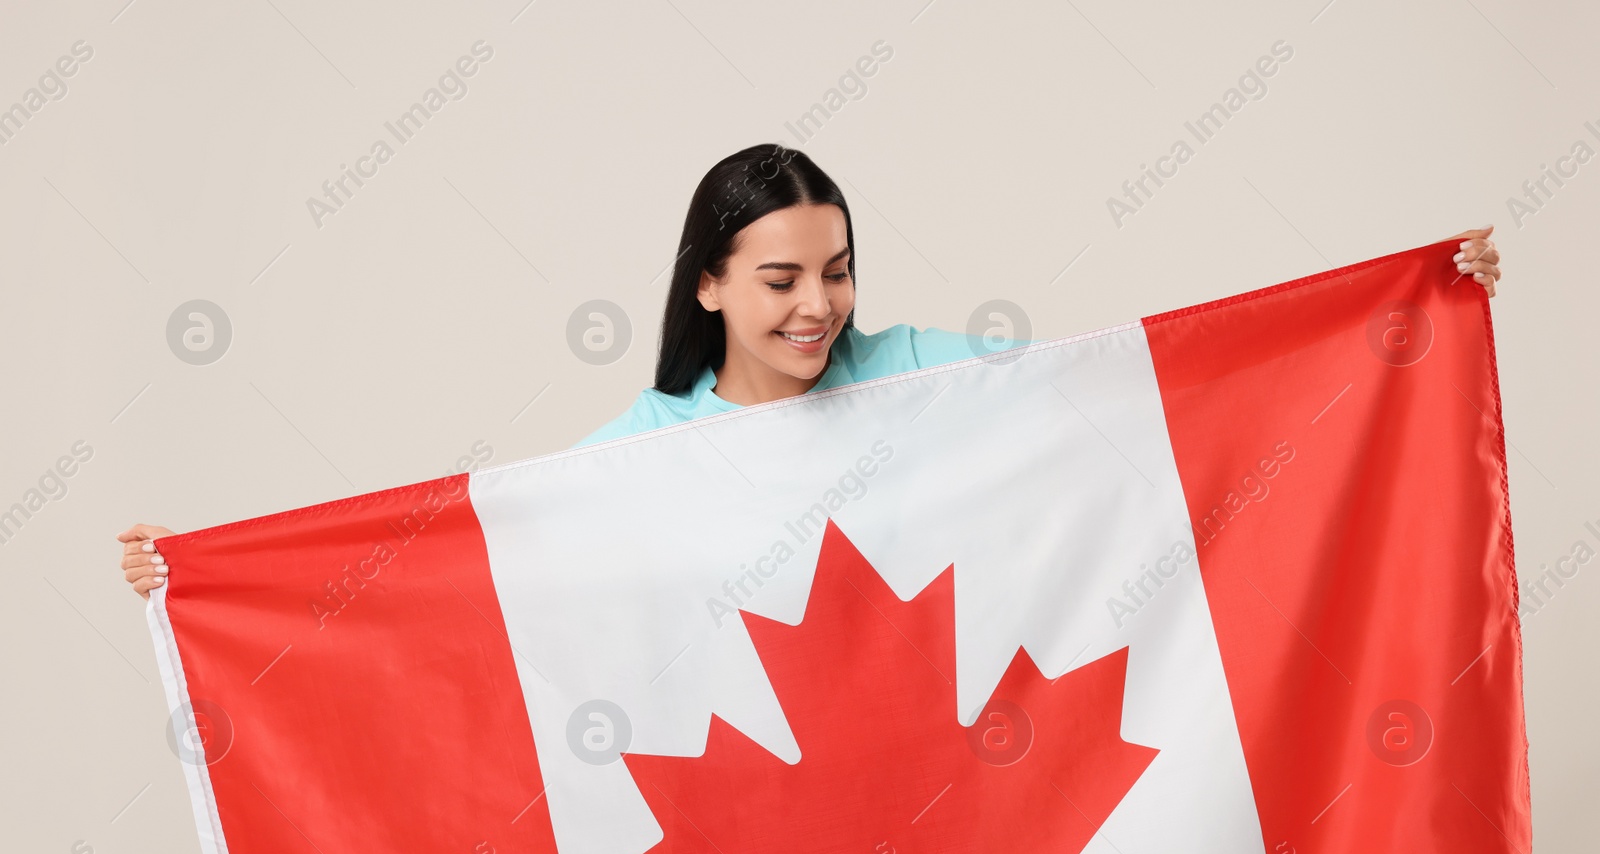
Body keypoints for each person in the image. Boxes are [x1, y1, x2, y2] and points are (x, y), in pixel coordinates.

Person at [117, 143, 1503, 598]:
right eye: (781, 280)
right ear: (708, 283)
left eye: (836, 270)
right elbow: (471, 565)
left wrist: (1402, 314)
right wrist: (221, 575)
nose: (819, 306)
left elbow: (1139, 395)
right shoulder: (647, 447)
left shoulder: (926, 375)